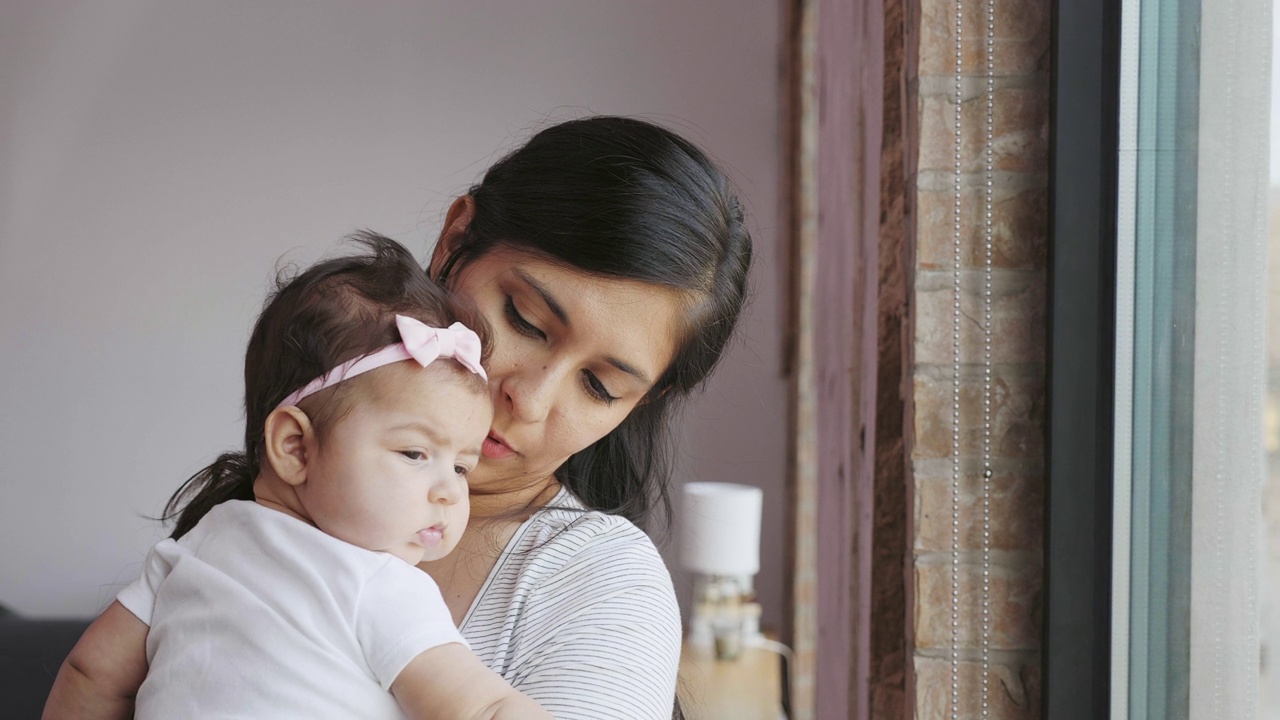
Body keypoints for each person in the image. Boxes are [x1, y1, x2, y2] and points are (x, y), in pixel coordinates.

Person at [43, 236, 554, 720]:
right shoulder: (380, 584)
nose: (448, 491)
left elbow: (91, 672)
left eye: (462, 467)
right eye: (415, 453)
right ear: (295, 447)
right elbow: (481, 709)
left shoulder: (197, 546)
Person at [416, 116, 753, 720]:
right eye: (523, 320)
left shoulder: (599, 586)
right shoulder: (298, 471)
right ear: (454, 242)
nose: (533, 398)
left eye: (599, 386)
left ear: (639, 403)